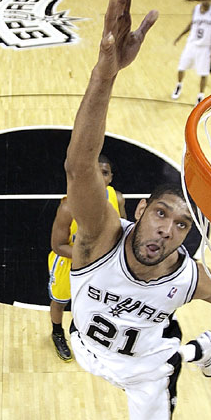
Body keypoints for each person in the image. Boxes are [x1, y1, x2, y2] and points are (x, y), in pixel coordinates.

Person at [65, 0, 211, 420]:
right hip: (93, 350)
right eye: (161, 215)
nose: (166, 230)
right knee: (138, 356)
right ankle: (199, 350)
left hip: (143, 367)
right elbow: (79, 167)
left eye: (182, 225)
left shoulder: (187, 277)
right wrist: (105, 72)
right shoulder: (99, 238)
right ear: (139, 211)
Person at [48, 154, 127, 361]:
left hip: (99, 263)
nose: (100, 177)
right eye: (96, 172)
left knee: (95, 303)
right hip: (69, 262)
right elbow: (57, 246)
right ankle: (57, 332)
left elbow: (123, 231)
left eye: (105, 173)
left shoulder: (116, 199)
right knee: (60, 301)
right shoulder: (68, 207)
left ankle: (87, 336)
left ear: (110, 177)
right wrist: (89, 256)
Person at [172, 1, 211, 105]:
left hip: (206, 47)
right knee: (181, 68)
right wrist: (180, 35)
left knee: (204, 74)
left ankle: (200, 96)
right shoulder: (196, 9)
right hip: (191, 44)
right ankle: (179, 85)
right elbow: (191, 23)